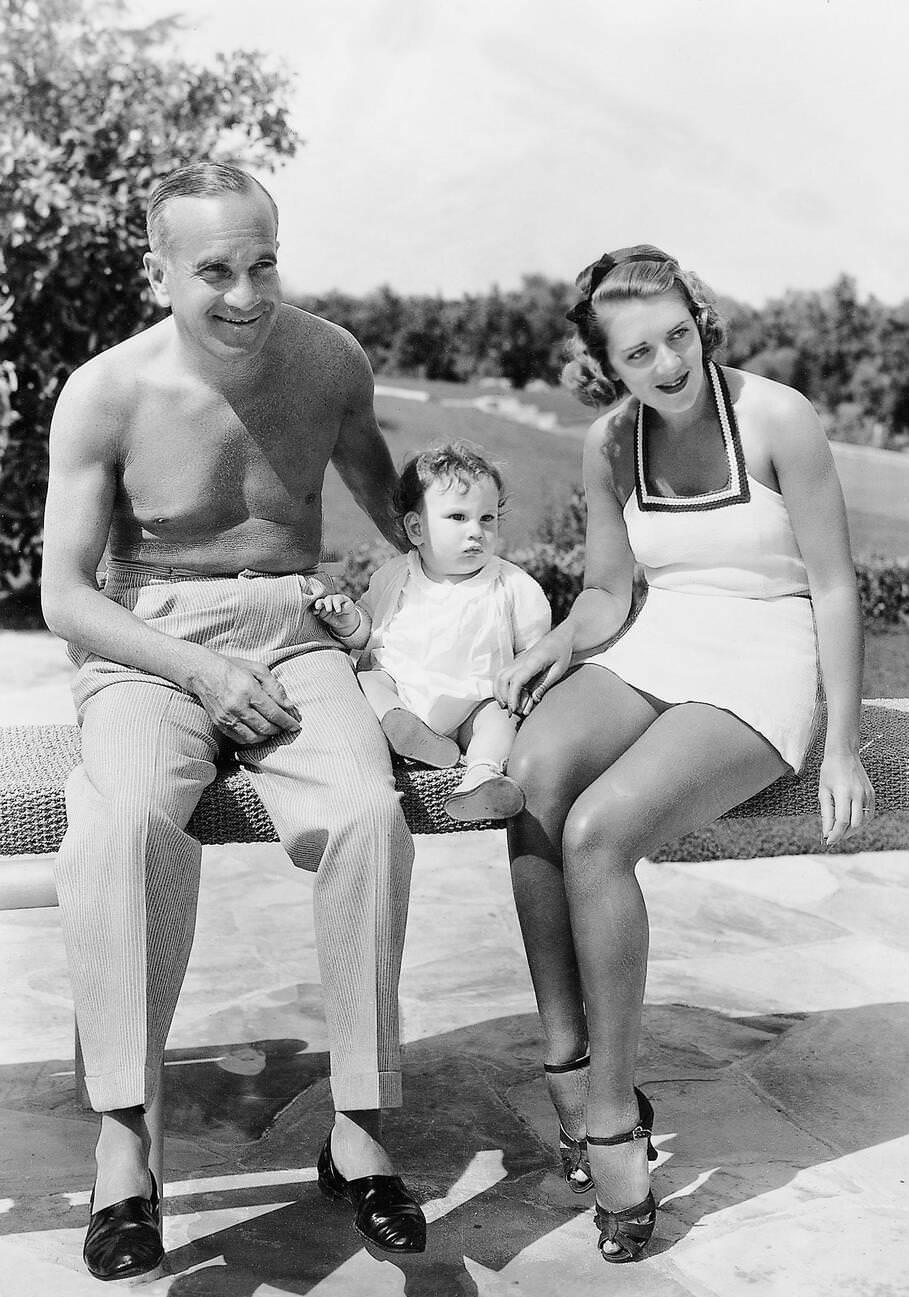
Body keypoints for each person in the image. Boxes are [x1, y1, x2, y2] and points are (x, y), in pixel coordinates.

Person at [40, 162, 426, 1282]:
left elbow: (404, 523)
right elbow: (67, 596)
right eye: (214, 269)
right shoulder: (105, 392)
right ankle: (127, 1148)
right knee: (120, 834)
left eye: (263, 261)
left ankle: (356, 1127)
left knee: (366, 815)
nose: (247, 293)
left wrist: (417, 616)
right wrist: (198, 673)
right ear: (157, 267)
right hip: (149, 638)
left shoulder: (330, 361)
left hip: (297, 629)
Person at [495, 245, 875, 1264]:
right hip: (660, 639)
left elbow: (834, 586)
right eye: (637, 354)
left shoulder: (779, 418)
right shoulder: (610, 444)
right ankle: (568, 1062)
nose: (666, 364)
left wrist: (840, 745)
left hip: (764, 650)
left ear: (702, 320)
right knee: (527, 780)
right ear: (605, 368)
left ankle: (614, 1121)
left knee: (600, 828)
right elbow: (612, 592)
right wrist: (559, 642)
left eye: (677, 336)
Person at [311, 442, 552, 821]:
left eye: (486, 519)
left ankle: (481, 774)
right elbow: (367, 631)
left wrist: (523, 678)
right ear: (416, 528)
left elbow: (534, 650)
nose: (476, 532)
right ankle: (402, 729)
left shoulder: (514, 586)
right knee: (370, 679)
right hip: (405, 696)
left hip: (475, 703)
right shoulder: (395, 576)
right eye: (458, 517)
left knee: (499, 717)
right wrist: (347, 621)